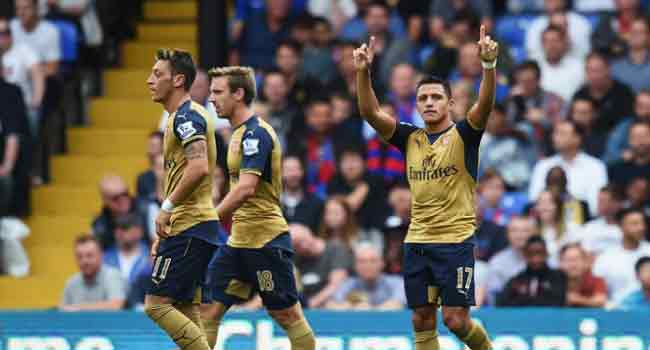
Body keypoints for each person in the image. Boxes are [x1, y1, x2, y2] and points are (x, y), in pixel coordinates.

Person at [354, 24, 498, 350]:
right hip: (417, 241)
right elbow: (369, 112)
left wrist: (488, 67)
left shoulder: (464, 135)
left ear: (449, 103)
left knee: (455, 320)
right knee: (421, 318)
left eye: (436, 97)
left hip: (455, 242)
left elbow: (485, 106)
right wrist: (363, 72)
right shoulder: (410, 138)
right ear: (417, 106)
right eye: (423, 98)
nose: (429, 103)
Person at [204, 66, 316, 350]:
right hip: (238, 243)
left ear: (239, 94)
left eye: (217, 92)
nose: (211, 99)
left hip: (265, 242)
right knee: (207, 310)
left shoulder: (256, 134)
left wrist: (208, 219)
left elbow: (246, 187)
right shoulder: (236, 134)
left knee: (286, 315)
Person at [143, 49, 220, 350]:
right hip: (191, 227)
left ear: (178, 80)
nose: (149, 80)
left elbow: (199, 166)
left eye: (157, 74)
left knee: (156, 305)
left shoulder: (186, 116)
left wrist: (166, 209)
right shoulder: (183, 116)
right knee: (185, 308)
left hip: (192, 225)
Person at [327, 241, 405, 310]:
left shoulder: (397, 283)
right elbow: (330, 305)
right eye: (362, 261)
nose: (368, 265)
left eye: (373, 260)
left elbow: (398, 304)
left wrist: (369, 311)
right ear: (355, 265)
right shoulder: (347, 283)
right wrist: (353, 307)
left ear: (382, 263)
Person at [60, 235, 126, 311]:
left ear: (101, 255)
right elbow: (62, 311)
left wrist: (77, 308)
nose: (84, 261)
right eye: (79, 257)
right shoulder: (71, 282)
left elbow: (116, 305)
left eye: (89, 255)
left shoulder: (112, 276)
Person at [496, 235, 567, 307]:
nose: (536, 259)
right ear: (525, 255)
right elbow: (501, 303)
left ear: (546, 254)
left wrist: (524, 300)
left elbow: (558, 301)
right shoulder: (516, 281)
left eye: (540, 253)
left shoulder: (558, 277)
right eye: (531, 254)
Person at [559, 243, 608, 308]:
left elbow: (600, 301)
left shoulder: (596, 281)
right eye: (568, 260)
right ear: (560, 263)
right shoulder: (552, 280)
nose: (573, 265)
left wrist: (577, 300)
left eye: (576, 259)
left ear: (585, 262)